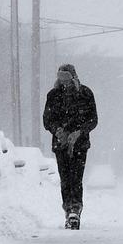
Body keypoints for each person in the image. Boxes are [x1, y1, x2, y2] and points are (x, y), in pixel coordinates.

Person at [42, 63, 98, 229]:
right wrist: (57, 130)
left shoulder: (86, 93)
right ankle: (68, 209)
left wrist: (79, 132)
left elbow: (93, 119)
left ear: (73, 77)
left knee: (76, 178)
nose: (64, 82)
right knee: (65, 178)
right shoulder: (53, 95)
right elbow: (47, 120)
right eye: (61, 78)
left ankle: (75, 209)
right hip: (60, 144)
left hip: (80, 145)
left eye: (67, 78)